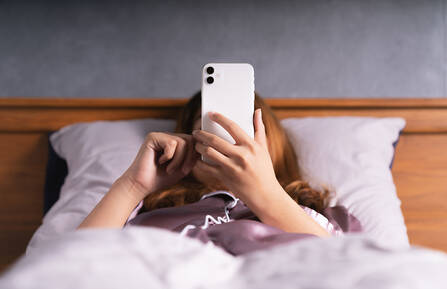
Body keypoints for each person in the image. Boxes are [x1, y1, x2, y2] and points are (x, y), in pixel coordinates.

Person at [78, 92, 358, 245]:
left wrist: (265, 194)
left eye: (243, 128)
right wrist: (132, 187)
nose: (229, 141)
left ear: (274, 143)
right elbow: (69, 268)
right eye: (210, 128)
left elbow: (351, 274)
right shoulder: (143, 212)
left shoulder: (330, 217)